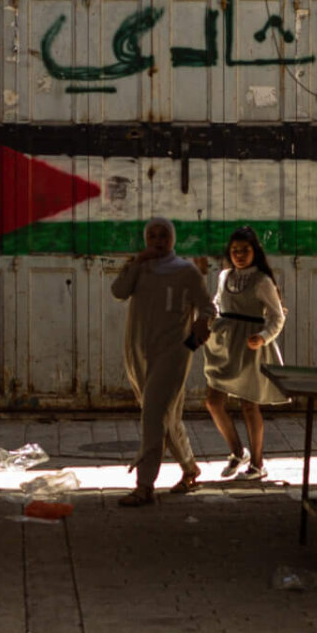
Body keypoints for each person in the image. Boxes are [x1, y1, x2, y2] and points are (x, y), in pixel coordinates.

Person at [109, 217, 213, 506]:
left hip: (173, 354)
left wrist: (201, 326)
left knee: (153, 415)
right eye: (152, 235)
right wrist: (136, 262)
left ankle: (144, 486)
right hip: (140, 352)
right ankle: (190, 469)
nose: (157, 240)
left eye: (163, 235)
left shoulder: (186, 271)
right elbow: (118, 291)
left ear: (172, 239)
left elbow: (207, 305)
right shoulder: (140, 269)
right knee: (167, 416)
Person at [201, 226, 290, 480]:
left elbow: (277, 316)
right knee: (213, 401)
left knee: (249, 405)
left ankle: (258, 464)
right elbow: (219, 302)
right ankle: (238, 452)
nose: (239, 254)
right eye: (235, 250)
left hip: (250, 347)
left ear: (255, 252)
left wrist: (263, 337)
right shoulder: (224, 276)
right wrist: (209, 317)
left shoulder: (262, 281)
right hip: (224, 344)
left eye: (245, 250)